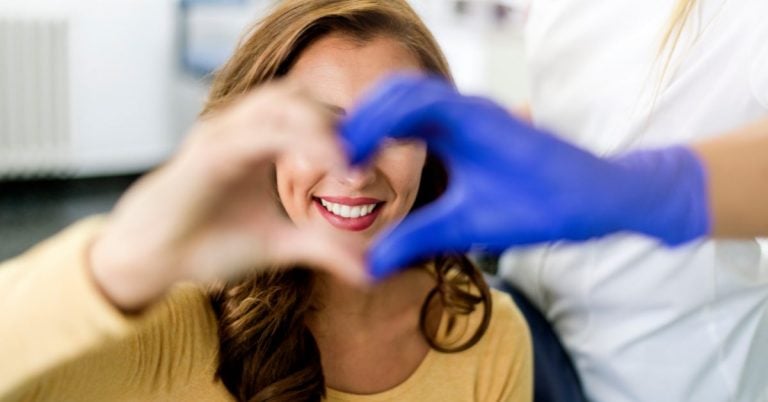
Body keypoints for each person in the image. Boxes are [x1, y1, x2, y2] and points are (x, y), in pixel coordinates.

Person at [0, 1, 532, 401]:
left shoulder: (483, 331)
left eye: (395, 129)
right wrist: (125, 256)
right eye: (322, 125)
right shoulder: (182, 321)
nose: (355, 169)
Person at [339, 0, 768, 401]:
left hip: (663, 368)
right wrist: (491, 142)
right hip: (538, 317)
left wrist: (632, 189)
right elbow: (598, 107)